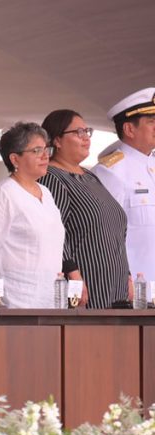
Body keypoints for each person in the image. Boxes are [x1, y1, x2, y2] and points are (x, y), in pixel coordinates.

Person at [39, 110, 129, 309]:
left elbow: (114, 229)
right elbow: (53, 232)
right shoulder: (51, 178)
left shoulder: (90, 176)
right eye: (78, 132)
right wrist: (72, 274)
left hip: (116, 287)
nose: (86, 137)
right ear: (57, 140)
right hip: (85, 289)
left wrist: (128, 276)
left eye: (87, 131)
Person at [0, 123, 64, 308]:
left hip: (50, 301)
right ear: (15, 158)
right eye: (37, 150)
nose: (45, 156)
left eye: (46, 149)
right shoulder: (2, 195)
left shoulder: (46, 192)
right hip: (15, 303)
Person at [93, 88, 155, 284]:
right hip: (136, 289)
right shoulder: (110, 172)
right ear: (129, 129)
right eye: (152, 122)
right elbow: (104, 236)